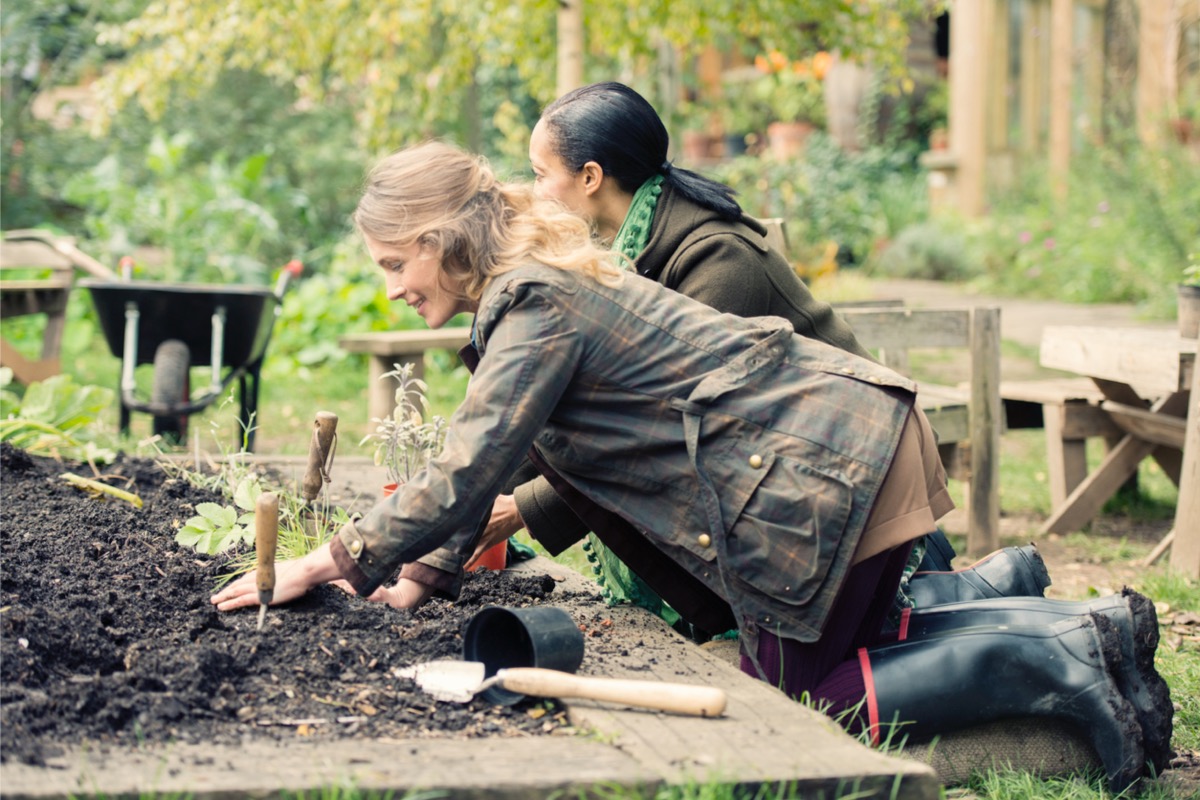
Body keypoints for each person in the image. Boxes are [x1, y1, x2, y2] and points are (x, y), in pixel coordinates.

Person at [212, 142, 1166, 793]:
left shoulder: (533, 303)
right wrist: (418, 575)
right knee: (873, 632)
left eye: (392, 262)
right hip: (846, 443)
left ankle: (1051, 659)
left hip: (819, 475)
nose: (391, 287)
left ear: (436, 240)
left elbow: (468, 466)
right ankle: (1090, 629)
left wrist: (328, 560)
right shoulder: (547, 283)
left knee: (792, 699)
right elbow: (504, 449)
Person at [467, 81, 1048, 625]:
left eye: (542, 174)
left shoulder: (717, 261)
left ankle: (976, 596)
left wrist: (519, 509)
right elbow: (578, 412)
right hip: (793, 482)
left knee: (891, 637)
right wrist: (479, 492)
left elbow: (657, 436)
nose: (535, 190)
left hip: (853, 494)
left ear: (590, 176)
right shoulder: (627, 257)